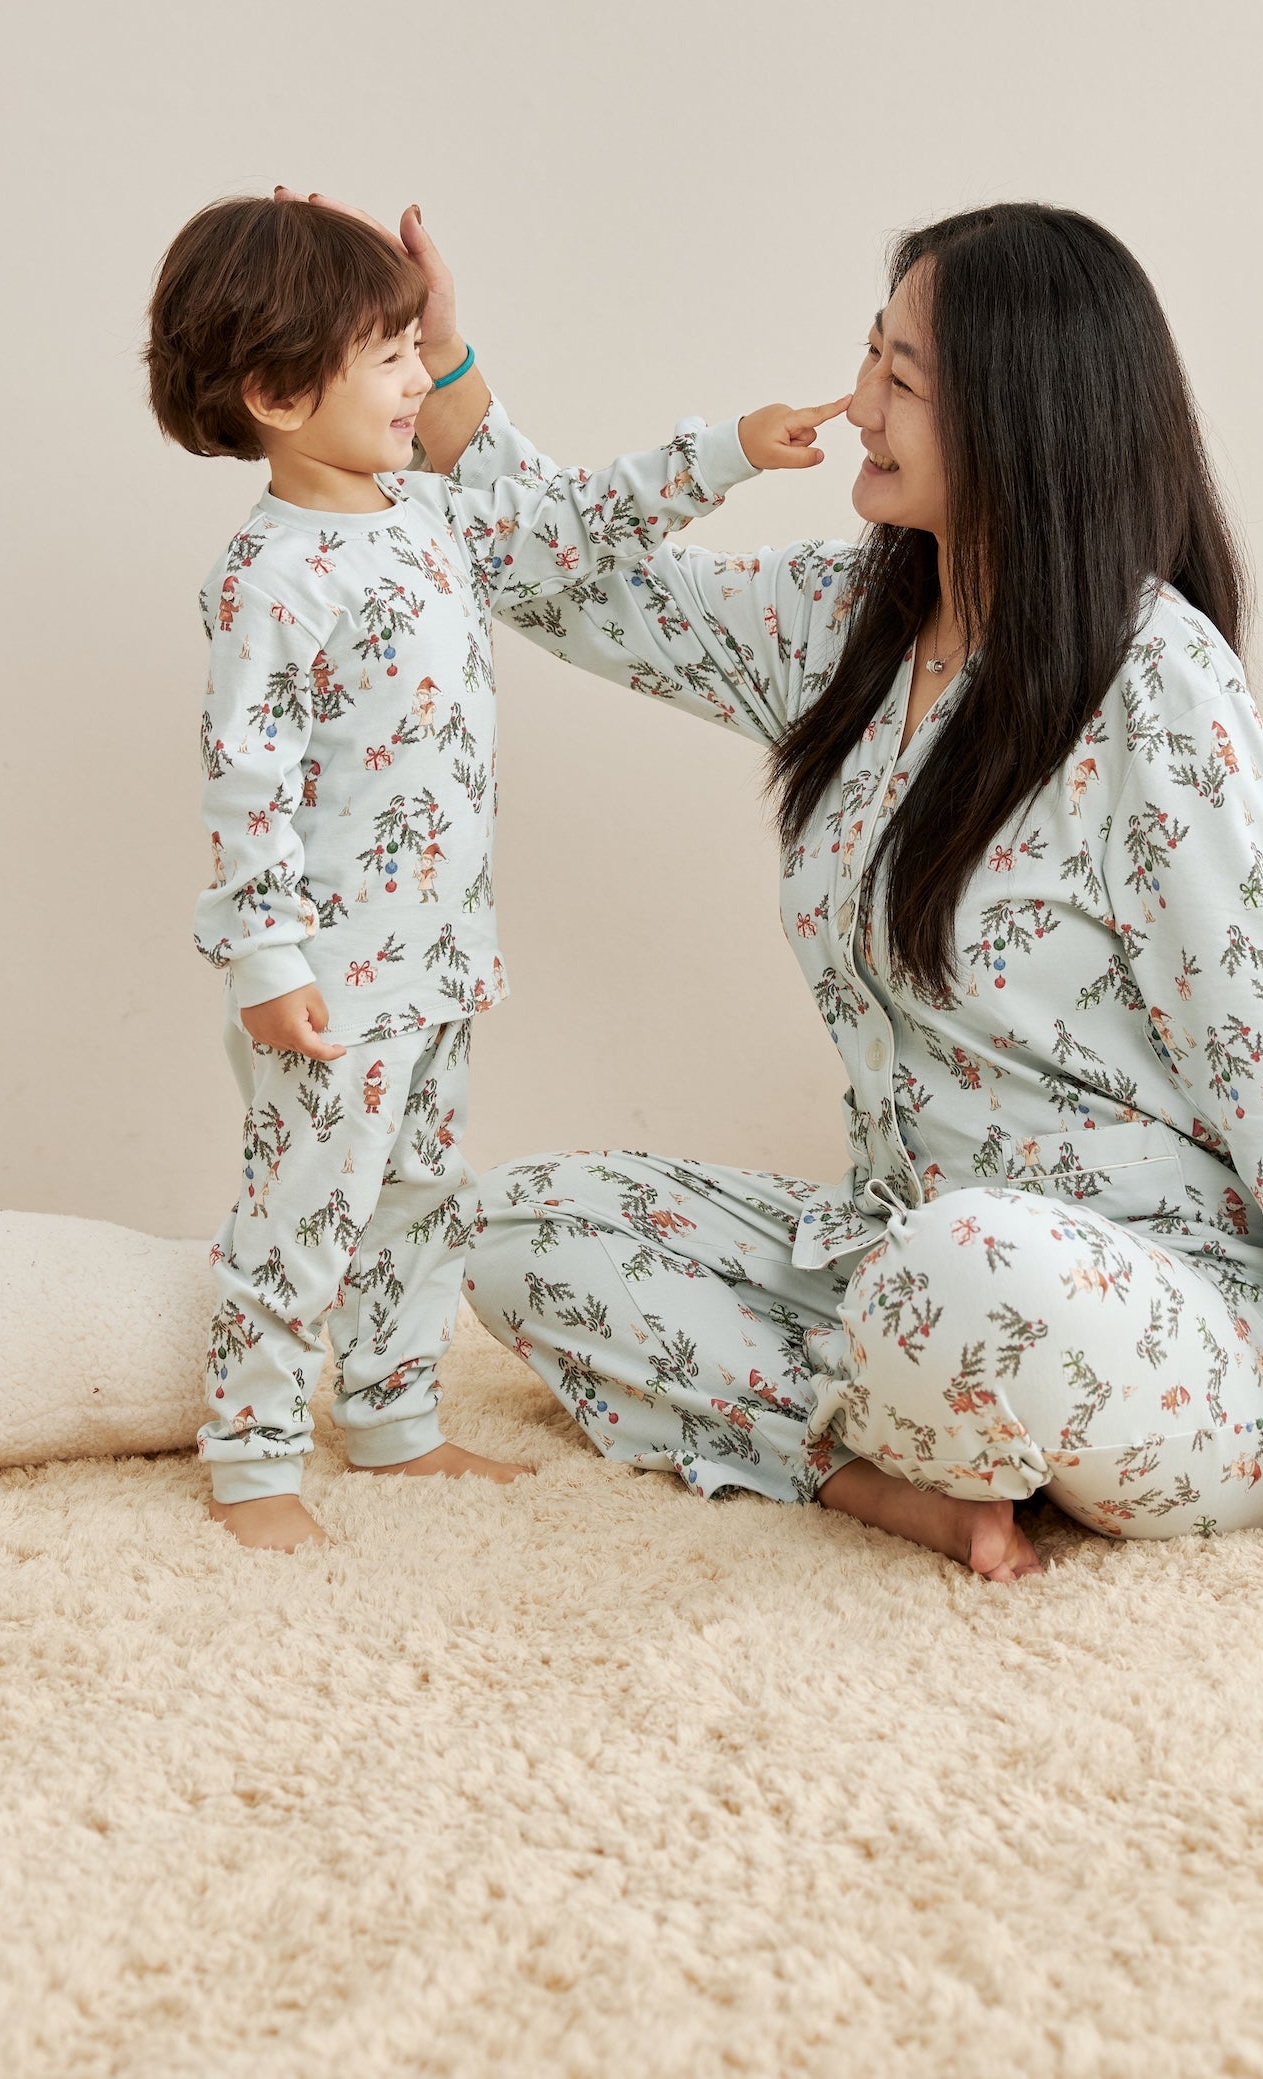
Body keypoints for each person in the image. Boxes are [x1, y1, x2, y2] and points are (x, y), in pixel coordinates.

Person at [402, 197, 1263, 1583]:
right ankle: (877, 1472)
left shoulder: (1153, 682)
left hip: (1164, 1322)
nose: (859, 404)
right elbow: (563, 586)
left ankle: (929, 1404)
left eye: (903, 379)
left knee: (969, 1273)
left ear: (1019, 419)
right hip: (904, 1254)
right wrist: (440, 369)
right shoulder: (848, 624)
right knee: (514, 1230)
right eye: (868, 354)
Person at [144, 191, 829, 1550]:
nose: (418, 381)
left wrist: (727, 451)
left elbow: (574, 524)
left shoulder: (431, 521)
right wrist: (268, 964)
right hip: (329, 982)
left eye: (414, 348)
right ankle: (255, 1459)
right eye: (389, 356)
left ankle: (394, 1425)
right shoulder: (268, 577)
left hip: (440, 960)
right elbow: (249, 783)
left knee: (418, 1200)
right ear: (280, 392)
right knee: (302, 1216)